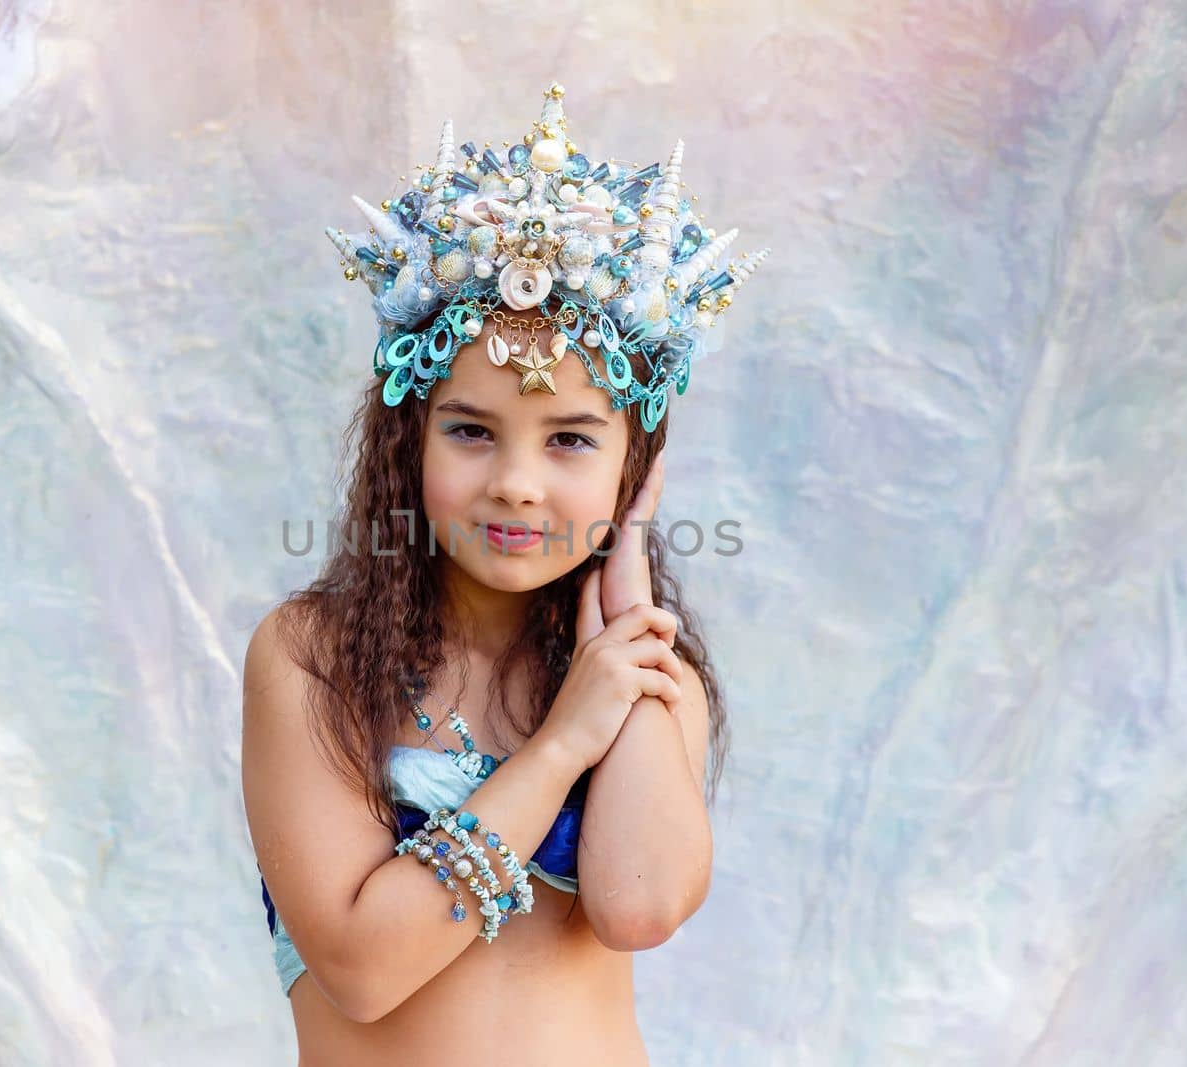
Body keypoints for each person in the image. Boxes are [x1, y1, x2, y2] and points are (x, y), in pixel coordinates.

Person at [241, 81, 769, 1064]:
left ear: (634, 467)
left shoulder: (651, 680)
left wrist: (627, 621)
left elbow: (640, 903)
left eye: (571, 439)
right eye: (472, 431)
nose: (517, 485)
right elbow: (360, 967)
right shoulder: (311, 657)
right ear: (408, 439)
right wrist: (563, 741)